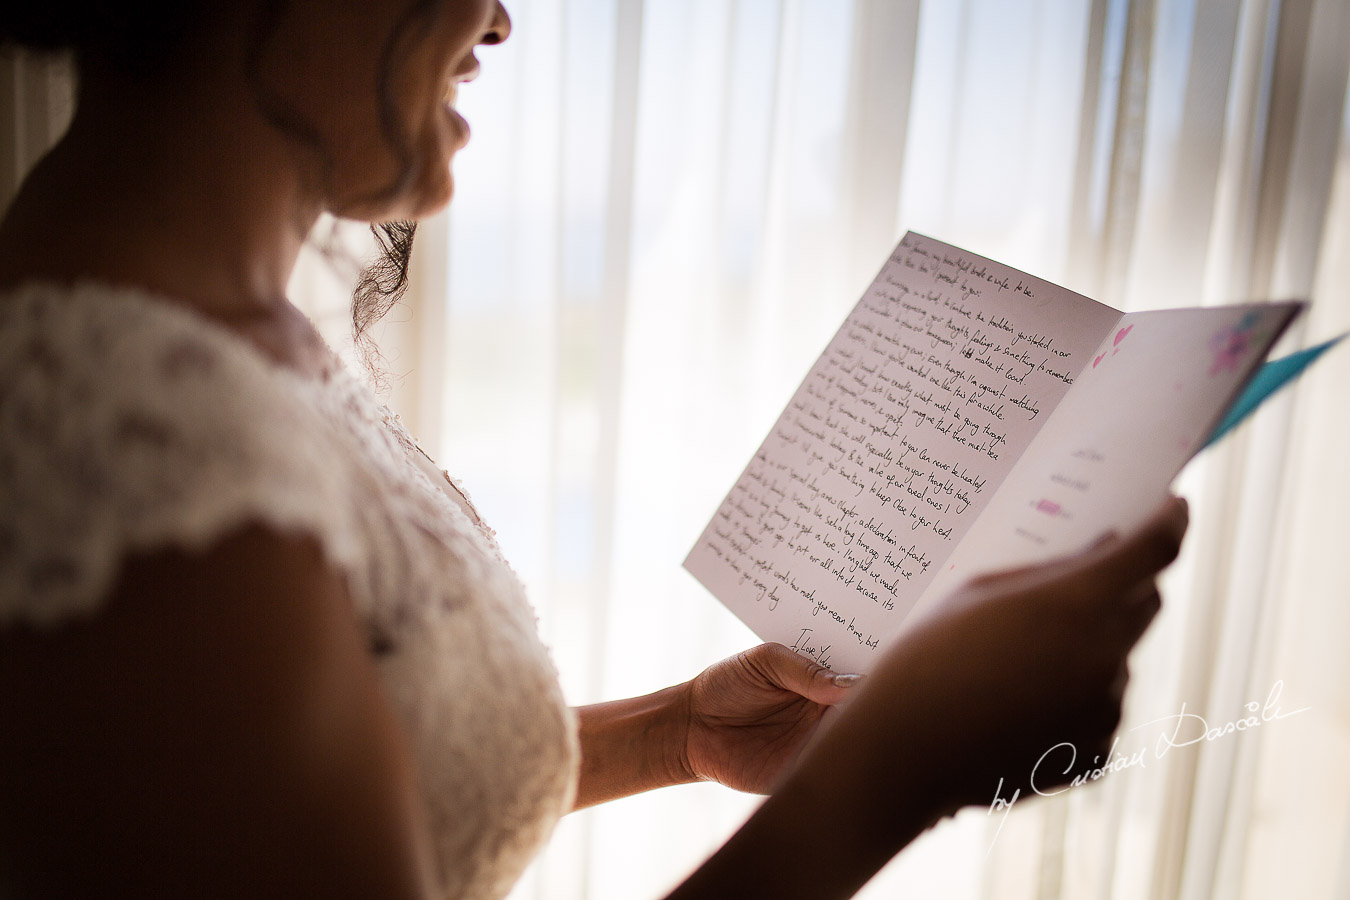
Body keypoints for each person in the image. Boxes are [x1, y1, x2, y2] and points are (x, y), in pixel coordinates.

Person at [0, 1, 1188, 896]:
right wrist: (890, 771)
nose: (500, 21)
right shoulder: (128, 432)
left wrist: (674, 734)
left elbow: (306, 780)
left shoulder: (213, 334)